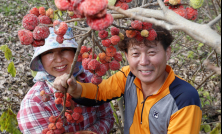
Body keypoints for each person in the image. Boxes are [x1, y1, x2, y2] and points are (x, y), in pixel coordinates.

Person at [54, 25, 203, 134]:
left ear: (167, 53)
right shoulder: (128, 76)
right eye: (136, 54)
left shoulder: (184, 98)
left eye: (152, 52)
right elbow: (100, 92)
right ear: (126, 56)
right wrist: (74, 88)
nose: (144, 61)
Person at [17, 27, 114, 134]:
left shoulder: (90, 79)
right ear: (40, 59)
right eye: (48, 52)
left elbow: (107, 118)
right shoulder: (34, 103)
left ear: (75, 53)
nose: (59, 59)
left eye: (64, 50)